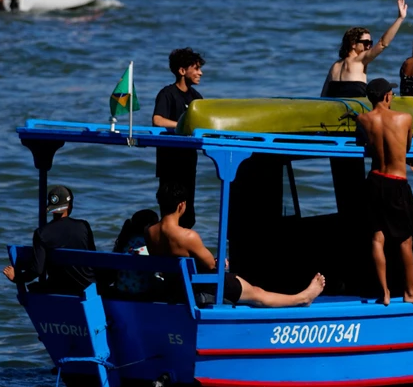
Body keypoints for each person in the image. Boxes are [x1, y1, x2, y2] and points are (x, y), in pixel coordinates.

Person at [147, 181, 325, 307]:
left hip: (175, 286)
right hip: (202, 285)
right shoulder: (188, 236)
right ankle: (303, 298)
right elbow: (210, 265)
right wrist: (218, 263)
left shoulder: (150, 232)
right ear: (182, 205)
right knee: (257, 294)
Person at [356, 79, 413, 309]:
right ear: (388, 96)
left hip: (374, 181)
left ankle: (385, 292)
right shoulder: (404, 118)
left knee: (377, 238)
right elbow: (406, 148)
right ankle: (410, 292)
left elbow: (364, 142)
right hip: (396, 183)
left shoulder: (362, 119)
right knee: (405, 241)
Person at [2, 185, 97, 295]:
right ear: (69, 206)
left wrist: (17, 277)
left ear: (51, 209)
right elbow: (93, 258)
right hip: (87, 289)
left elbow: (37, 270)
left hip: (58, 289)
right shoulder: (84, 226)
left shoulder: (41, 233)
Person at [153, 48, 204, 225]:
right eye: (196, 68)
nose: (200, 73)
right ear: (182, 71)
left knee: (188, 217)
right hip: (170, 164)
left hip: (188, 163)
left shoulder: (196, 98)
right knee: (170, 214)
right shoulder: (167, 94)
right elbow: (157, 120)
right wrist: (183, 126)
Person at [321, 0, 409, 98]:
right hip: (353, 106)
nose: (369, 47)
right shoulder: (359, 60)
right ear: (353, 44)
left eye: (370, 43)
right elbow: (383, 43)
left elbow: (323, 95)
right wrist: (400, 18)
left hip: (334, 105)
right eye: (366, 43)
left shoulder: (334, 66)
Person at [112, 208, 162, 297]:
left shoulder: (124, 242)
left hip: (121, 291)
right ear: (148, 226)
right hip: (144, 294)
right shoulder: (149, 244)